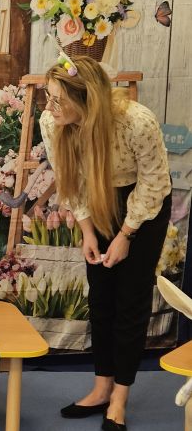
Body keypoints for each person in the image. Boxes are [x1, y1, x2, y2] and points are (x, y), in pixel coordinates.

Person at [41, 55, 172, 431]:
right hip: (96, 199)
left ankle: (119, 397)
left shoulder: (136, 121)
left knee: (130, 302)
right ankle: (101, 387)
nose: (49, 107)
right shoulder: (52, 122)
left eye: (58, 100)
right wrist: (87, 231)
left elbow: (154, 182)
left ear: (87, 99)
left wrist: (126, 235)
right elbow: (71, 179)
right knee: (100, 298)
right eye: (48, 97)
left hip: (142, 204)